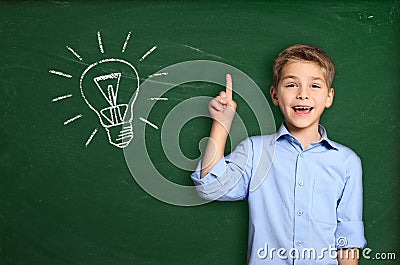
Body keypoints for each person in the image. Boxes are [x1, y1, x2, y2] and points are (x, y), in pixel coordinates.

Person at [191, 44, 366, 265]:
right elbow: (209, 188)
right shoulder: (255, 152)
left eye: (314, 85)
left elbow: (347, 239)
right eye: (291, 85)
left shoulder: (346, 161)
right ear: (274, 95)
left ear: (329, 97)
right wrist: (221, 123)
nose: (303, 94)